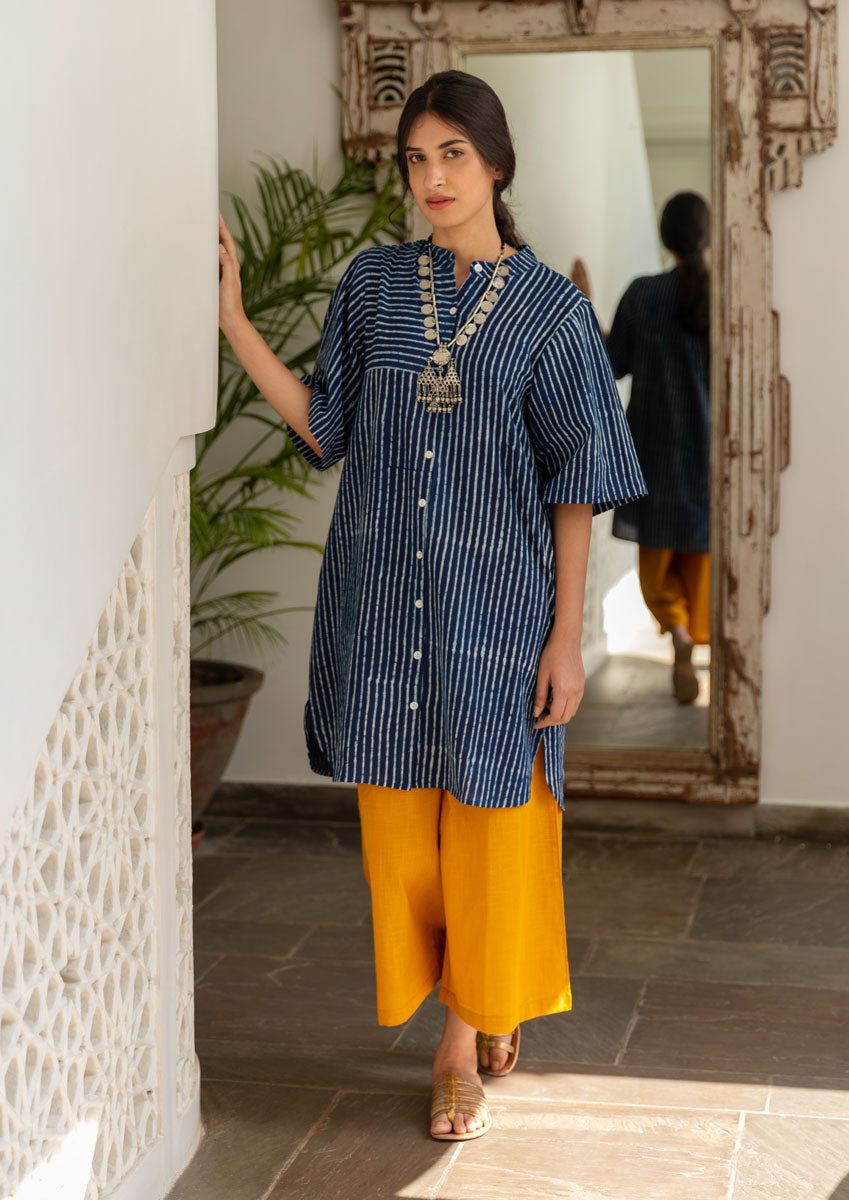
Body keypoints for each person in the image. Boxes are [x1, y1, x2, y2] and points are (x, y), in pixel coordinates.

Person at [217, 69, 647, 1142]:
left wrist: (565, 638)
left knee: (495, 834)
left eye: (452, 154)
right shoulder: (371, 286)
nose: (432, 177)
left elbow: (578, 483)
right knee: (405, 845)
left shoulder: (553, 313)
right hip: (382, 613)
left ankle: (461, 1044)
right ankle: (486, 999)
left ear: (496, 163)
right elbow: (327, 426)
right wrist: (233, 323)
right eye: (416, 159)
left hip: (499, 618)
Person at [603, 192, 711, 704]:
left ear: (665, 237)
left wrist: (586, 310)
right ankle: (704, 640)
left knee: (657, 567)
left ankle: (679, 633)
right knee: (703, 562)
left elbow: (610, 365)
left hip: (653, 452)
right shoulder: (726, 294)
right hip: (711, 455)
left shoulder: (643, 295)